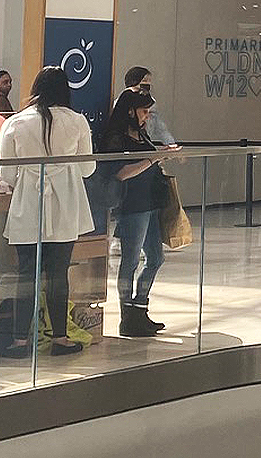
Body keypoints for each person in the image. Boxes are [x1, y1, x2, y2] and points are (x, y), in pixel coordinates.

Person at [0, 66, 96, 358]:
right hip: (65, 202)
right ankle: (60, 339)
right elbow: (87, 168)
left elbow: (8, 173)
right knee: (58, 273)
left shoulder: (15, 122)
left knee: (27, 273)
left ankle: (19, 341)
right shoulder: (76, 121)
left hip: (28, 201)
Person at [98, 89, 175, 337]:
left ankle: (140, 306)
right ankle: (127, 315)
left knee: (156, 258)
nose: (146, 116)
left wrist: (159, 157)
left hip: (150, 201)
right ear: (130, 111)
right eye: (144, 111)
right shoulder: (116, 138)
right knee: (130, 261)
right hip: (132, 205)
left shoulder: (141, 134)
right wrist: (153, 159)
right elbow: (120, 173)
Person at [119, 66, 175, 146]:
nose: (147, 85)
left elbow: (161, 128)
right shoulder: (121, 102)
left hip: (145, 139)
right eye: (144, 81)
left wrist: (170, 143)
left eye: (149, 82)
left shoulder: (151, 103)